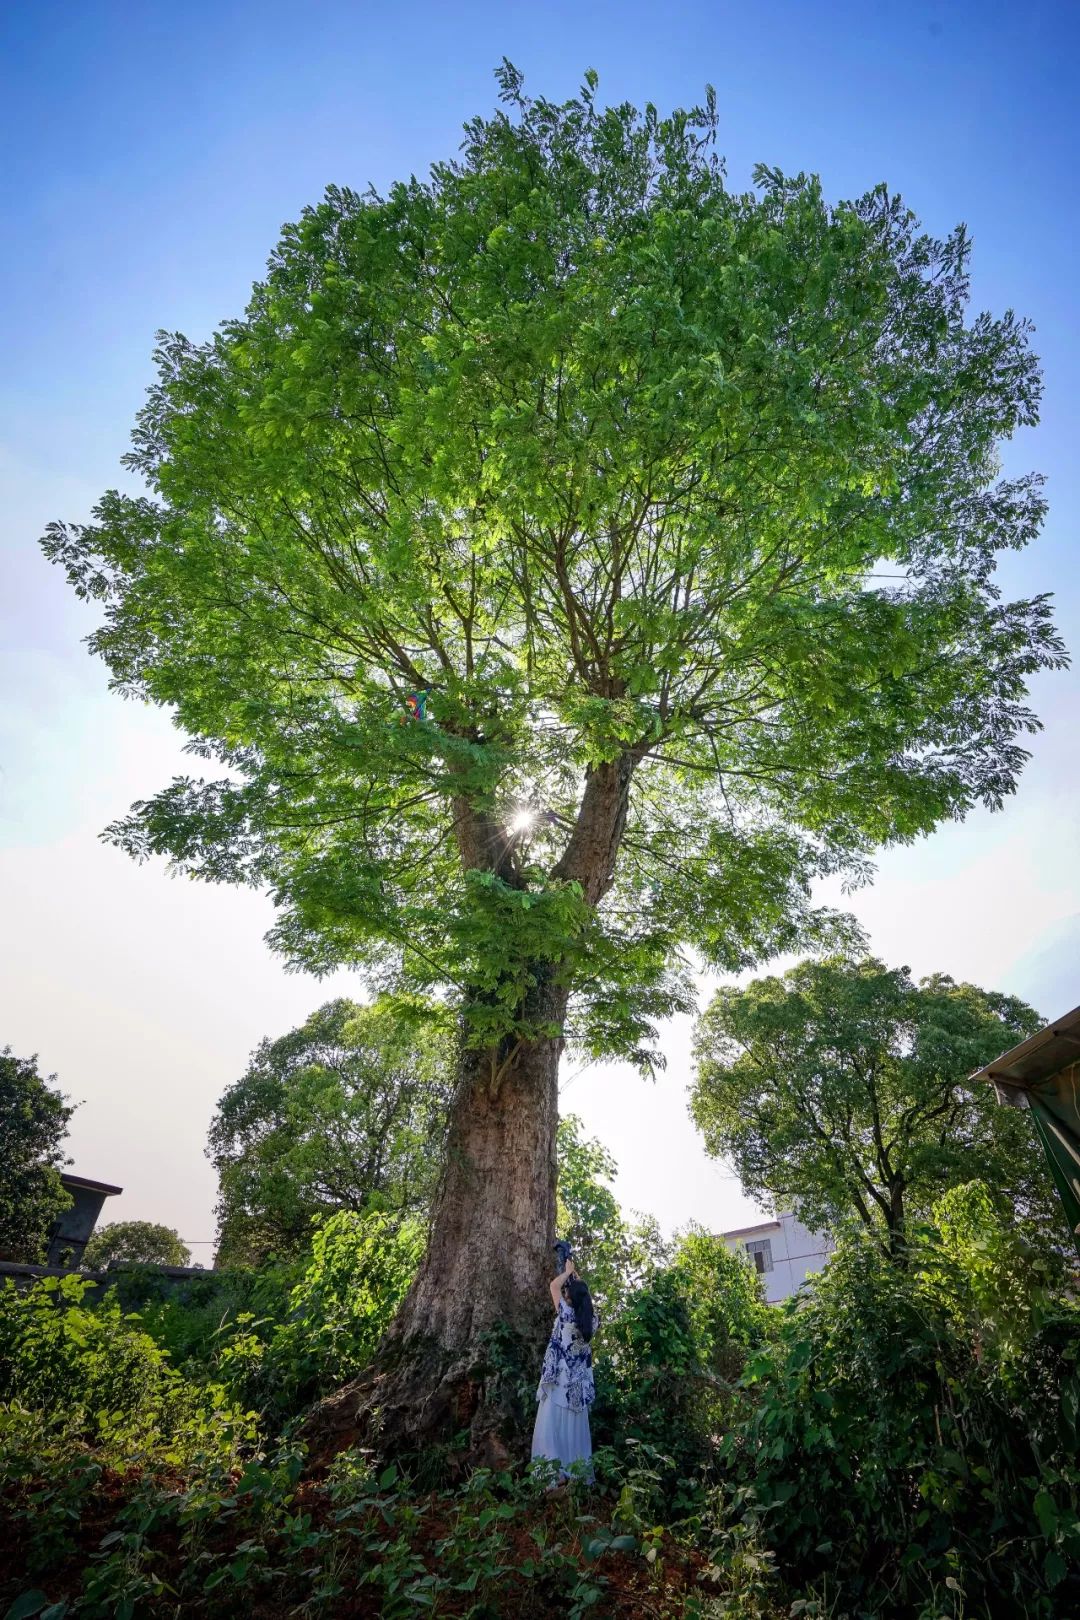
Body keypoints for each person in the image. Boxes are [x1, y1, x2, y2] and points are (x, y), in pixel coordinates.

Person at [531, 1252, 596, 1479]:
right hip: (578, 1384)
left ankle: (552, 1476)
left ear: (570, 1300)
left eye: (568, 1294)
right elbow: (582, 1298)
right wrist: (576, 1278)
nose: (565, 1295)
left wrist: (568, 1273)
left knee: (553, 1427)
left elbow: (553, 1286)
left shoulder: (567, 1316)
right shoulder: (591, 1322)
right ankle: (576, 1474)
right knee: (575, 1430)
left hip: (559, 1380)